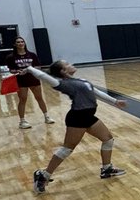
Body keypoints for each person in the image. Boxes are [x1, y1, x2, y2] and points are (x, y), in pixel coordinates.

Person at [28, 61, 127, 192]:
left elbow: (96, 92)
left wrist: (115, 101)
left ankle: (106, 169)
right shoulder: (66, 84)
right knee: (67, 149)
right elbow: (45, 77)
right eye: (67, 64)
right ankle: (43, 176)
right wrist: (29, 68)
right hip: (78, 119)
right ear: (63, 71)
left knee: (108, 139)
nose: (71, 64)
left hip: (89, 117)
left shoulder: (80, 80)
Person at [6, 36, 54, 129]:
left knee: (39, 98)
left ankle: (46, 116)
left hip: (34, 79)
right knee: (23, 99)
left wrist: (29, 70)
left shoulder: (32, 55)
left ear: (24, 43)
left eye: (22, 41)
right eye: (18, 42)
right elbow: (11, 70)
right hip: (21, 81)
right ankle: (22, 121)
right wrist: (18, 71)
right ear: (15, 44)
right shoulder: (11, 57)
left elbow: (38, 67)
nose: (20, 43)